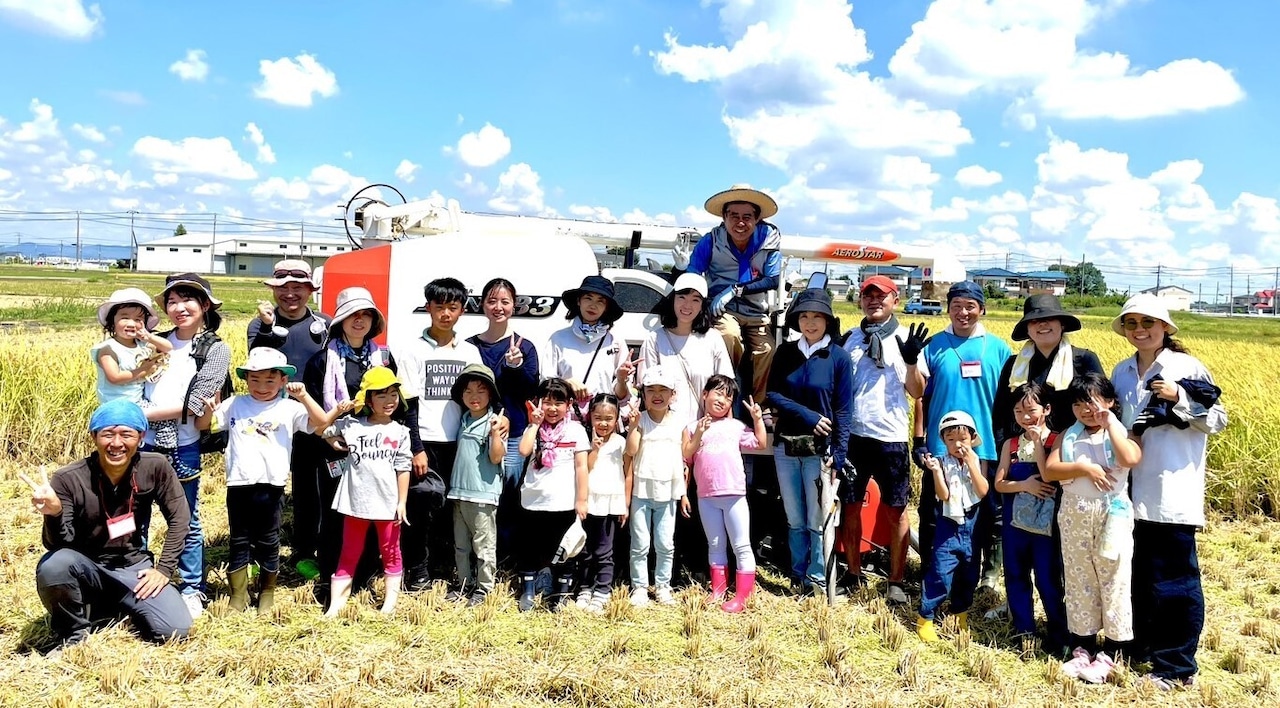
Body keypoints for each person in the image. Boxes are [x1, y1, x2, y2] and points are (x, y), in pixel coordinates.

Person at [1109, 294, 1226, 690]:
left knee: (1175, 580)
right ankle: (1142, 647)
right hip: (1129, 487)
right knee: (1138, 576)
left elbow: (1218, 419)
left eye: (1148, 322)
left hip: (1172, 487)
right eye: (1131, 323)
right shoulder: (1122, 371)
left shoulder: (1185, 367)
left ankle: (1177, 667)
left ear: (1165, 327)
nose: (1139, 329)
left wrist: (1180, 398)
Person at [26, 399, 192, 651]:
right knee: (54, 566)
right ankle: (75, 632)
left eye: (126, 434)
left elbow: (180, 518)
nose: (116, 444)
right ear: (94, 436)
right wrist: (55, 513)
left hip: (133, 566)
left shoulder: (155, 466)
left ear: (141, 436)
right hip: (86, 565)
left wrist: (164, 569)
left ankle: (108, 607)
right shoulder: (69, 478)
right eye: (107, 434)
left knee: (175, 631)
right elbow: (57, 545)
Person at [196, 347, 341, 615]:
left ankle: (266, 593)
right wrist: (207, 409)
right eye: (255, 380)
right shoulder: (234, 404)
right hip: (239, 483)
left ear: (283, 381)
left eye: (270, 380)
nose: (262, 386)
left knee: (268, 539)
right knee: (239, 538)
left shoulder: (289, 408)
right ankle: (238, 595)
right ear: (246, 379)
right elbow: (205, 426)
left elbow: (321, 424)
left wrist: (305, 396)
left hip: (272, 484)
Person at [906, 281, 1011, 583]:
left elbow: (1008, 398)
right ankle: (932, 572)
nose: (963, 312)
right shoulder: (934, 346)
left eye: (970, 306)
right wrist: (912, 361)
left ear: (982, 309)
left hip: (986, 447)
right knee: (934, 514)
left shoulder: (999, 349)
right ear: (948, 308)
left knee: (986, 516)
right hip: (941, 447)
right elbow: (917, 393)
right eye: (956, 306)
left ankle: (981, 577)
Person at [141, 273, 232, 620]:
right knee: (139, 517)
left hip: (183, 446)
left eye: (187, 300)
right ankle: (140, 580)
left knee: (186, 520)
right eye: (172, 301)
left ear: (205, 305)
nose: (179, 308)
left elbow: (197, 405)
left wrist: (140, 414)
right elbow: (136, 381)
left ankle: (193, 589)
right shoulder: (157, 342)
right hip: (144, 445)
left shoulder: (214, 349)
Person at [301, 286, 403, 589]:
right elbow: (313, 406)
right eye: (352, 315)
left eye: (366, 315)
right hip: (336, 447)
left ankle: (365, 575)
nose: (359, 321)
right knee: (337, 513)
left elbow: (394, 402)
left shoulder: (383, 358)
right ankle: (333, 576)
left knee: (375, 510)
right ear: (341, 320)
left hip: (376, 450)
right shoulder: (322, 361)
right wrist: (328, 437)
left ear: (374, 320)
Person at [1044, 373, 1143, 683]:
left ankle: (1111, 653)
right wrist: (1086, 467)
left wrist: (1110, 422)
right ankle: (1082, 647)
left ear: (1111, 401)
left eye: (1092, 402)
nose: (1086, 410)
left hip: (1111, 515)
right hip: (1074, 513)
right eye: (1078, 404)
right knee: (1078, 578)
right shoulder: (1067, 436)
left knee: (1113, 579)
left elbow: (1130, 458)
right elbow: (1050, 470)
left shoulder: (1121, 433)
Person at [838, 275, 926, 603]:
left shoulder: (906, 339)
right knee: (849, 506)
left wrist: (912, 361)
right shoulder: (850, 339)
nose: (874, 301)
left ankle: (897, 580)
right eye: (868, 296)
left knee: (897, 510)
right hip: (854, 437)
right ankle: (853, 573)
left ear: (895, 299)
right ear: (861, 300)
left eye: (882, 296)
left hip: (891, 439)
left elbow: (917, 392)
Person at [396, 277, 487, 591]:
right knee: (420, 507)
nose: (445, 314)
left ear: (462, 310)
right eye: (439, 307)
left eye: (453, 307)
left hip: (461, 443)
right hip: (427, 443)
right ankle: (417, 570)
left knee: (453, 509)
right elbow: (407, 403)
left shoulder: (471, 352)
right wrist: (416, 446)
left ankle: (446, 566)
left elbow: (479, 400)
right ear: (428, 308)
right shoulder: (412, 350)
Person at [764, 288, 853, 595]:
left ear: (828, 320)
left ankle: (817, 577)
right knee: (794, 514)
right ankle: (797, 574)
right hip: (785, 447)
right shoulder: (786, 352)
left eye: (817, 316)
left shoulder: (838, 357)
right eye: (804, 316)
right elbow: (772, 394)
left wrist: (839, 454)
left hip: (821, 452)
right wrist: (809, 416)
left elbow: (843, 409)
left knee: (817, 517)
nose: (810, 322)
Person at [247, 259, 332, 577]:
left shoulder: (325, 325)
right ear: (273, 290)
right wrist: (268, 327)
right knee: (264, 486)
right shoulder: (259, 325)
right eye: (283, 288)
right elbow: (257, 366)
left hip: (310, 418)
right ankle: (258, 553)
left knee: (310, 489)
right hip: (270, 419)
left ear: (311, 290)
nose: (290, 294)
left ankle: (304, 550)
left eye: (298, 288)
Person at [674, 184, 782, 402]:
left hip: (755, 309)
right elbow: (693, 277)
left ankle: (759, 404)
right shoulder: (710, 240)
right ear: (723, 217)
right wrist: (680, 268)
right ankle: (726, 394)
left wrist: (736, 289)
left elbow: (774, 278)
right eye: (733, 216)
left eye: (747, 216)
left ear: (757, 218)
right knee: (728, 336)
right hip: (722, 309)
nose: (740, 223)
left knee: (767, 349)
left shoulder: (769, 237)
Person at [323, 367, 412, 617]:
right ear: (368, 399)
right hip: (355, 501)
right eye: (381, 395)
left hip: (387, 503)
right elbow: (322, 429)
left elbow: (403, 468)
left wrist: (402, 502)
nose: (389, 401)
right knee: (349, 551)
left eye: (393, 394)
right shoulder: (352, 425)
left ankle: (389, 604)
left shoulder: (400, 432)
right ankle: (336, 605)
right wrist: (334, 436)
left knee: (390, 551)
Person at [991, 382, 1067, 654]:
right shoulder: (1010, 444)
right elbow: (999, 483)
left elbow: (1049, 474)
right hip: (1015, 525)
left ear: (1046, 409)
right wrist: (1025, 485)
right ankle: (1024, 630)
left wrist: (1037, 444)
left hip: (1047, 528)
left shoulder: (1056, 440)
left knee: (1048, 579)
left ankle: (1059, 634)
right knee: (1015, 575)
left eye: (1030, 410)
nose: (1024, 417)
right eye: (1018, 411)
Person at [683, 375, 767, 613]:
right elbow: (687, 455)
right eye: (717, 393)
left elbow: (760, 443)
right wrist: (699, 432)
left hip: (734, 495)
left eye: (728, 397)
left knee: (741, 545)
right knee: (715, 544)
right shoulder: (691, 427)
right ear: (704, 395)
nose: (722, 400)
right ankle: (718, 589)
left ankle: (743, 596)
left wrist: (757, 419)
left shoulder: (737, 426)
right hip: (706, 497)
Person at [515, 378, 590, 612]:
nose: (552, 408)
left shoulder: (576, 430)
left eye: (559, 403)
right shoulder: (535, 429)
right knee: (530, 546)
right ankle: (527, 589)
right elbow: (523, 450)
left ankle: (561, 591)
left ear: (569, 404)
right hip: (533, 501)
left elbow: (581, 467)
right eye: (547, 402)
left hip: (563, 502)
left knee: (564, 549)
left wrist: (582, 500)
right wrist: (534, 425)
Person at [621, 272, 734, 426]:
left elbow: (725, 391)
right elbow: (646, 390)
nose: (688, 305)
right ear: (672, 299)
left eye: (695, 300)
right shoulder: (654, 339)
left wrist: (726, 431)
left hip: (703, 432)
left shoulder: (713, 339)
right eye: (682, 297)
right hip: (664, 431)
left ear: (702, 305)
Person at [916, 411, 989, 643]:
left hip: (972, 521)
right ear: (944, 441)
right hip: (949, 524)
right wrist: (936, 472)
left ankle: (960, 612)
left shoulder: (977, 460)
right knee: (940, 569)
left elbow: (982, 491)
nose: (958, 445)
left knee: (970, 570)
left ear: (972, 438)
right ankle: (926, 617)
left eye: (963, 439)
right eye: (951, 440)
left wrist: (971, 464)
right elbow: (944, 495)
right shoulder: (942, 463)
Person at [993, 294, 1104, 444]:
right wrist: (1004, 449)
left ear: (1062, 324)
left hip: (1075, 447)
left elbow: (1103, 406)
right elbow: (1001, 412)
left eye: (1050, 318)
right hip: (1023, 450)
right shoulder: (1014, 365)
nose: (1042, 324)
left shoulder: (1084, 360)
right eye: (1034, 321)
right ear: (1027, 329)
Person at [625, 366, 690, 607]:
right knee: (639, 543)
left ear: (673, 394)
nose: (657, 394)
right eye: (651, 390)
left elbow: (685, 454)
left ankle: (663, 586)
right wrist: (632, 427)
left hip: (669, 491)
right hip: (641, 490)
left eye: (663, 390)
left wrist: (683, 493)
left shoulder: (680, 421)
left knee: (665, 543)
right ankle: (639, 587)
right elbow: (630, 451)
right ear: (643, 394)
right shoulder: (640, 419)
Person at [467, 278, 541, 485]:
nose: (498, 307)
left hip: (514, 432)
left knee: (509, 495)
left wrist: (515, 366)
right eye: (492, 301)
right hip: (474, 431)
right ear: (482, 304)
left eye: (505, 301)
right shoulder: (469, 346)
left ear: (514, 305)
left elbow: (530, 391)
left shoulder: (525, 347)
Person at [446, 364, 507, 605]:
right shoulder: (464, 419)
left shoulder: (495, 422)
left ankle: (484, 588)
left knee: (483, 546)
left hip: (482, 495)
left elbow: (496, 457)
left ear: (490, 394)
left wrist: (494, 434)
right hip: (459, 492)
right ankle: (464, 584)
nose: (474, 396)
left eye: (481, 391)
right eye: (468, 391)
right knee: (461, 545)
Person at [544, 275, 629, 417]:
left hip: (603, 423)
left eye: (600, 301)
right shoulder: (558, 338)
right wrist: (566, 383)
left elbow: (622, 395)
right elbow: (545, 382)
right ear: (578, 301)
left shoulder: (615, 341)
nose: (593, 305)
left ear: (606, 307)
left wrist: (621, 380)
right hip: (565, 422)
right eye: (588, 298)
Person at [577, 393, 628, 613]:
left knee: (604, 551)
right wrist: (594, 449)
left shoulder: (621, 442)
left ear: (617, 418)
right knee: (585, 550)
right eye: (598, 417)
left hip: (610, 503)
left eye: (609, 418)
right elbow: (586, 468)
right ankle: (586, 588)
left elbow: (628, 472)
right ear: (590, 417)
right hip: (588, 501)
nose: (603, 423)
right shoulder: (585, 440)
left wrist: (624, 503)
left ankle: (603, 590)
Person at [91, 288, 172, 405]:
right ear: (112, 321)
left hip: (138, 402)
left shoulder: (142, 344)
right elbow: (114, 377)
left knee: (168, 419)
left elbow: (168, 347)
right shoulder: (108, 349)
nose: (131, 323)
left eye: (138, 319)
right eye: (125, 318)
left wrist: (149, 337)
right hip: (115, 405)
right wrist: (144, 370)